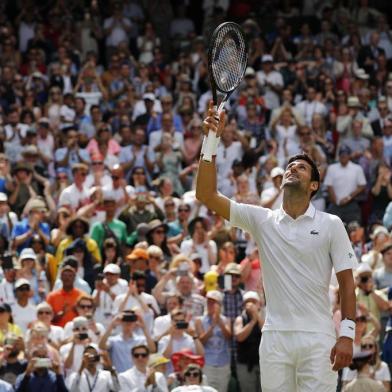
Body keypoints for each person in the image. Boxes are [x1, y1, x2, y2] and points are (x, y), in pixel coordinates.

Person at [196, 102, 357, 391]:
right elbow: (206, 194)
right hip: (274, 339)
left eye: (302, 167)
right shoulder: (262, 219)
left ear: (314, 186)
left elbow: (347, 282)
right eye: (289, 166)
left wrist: (347, 333)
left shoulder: (332, 223)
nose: (292, 168)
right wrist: (211, 139)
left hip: (319, 338)